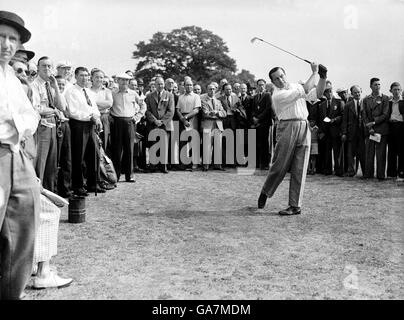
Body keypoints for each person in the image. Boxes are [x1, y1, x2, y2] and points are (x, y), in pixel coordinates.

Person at [0, 10, 41, 300]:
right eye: (0, 37)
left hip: (17, 155)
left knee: (25, 223)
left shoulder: (12, 77)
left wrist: (18, 123)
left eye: (12, 39)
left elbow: (30, 117)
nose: (6, 44)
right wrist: (17, 122)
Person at [257, 62, 327, 215]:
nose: (280, 80)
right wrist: (315, 72)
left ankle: (295, 205)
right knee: (280, 166)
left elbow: (318, 94)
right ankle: (266, 191)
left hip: (304, 125)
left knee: (300, 168)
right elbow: (307, 88)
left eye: (282, 76)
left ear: (285, 74)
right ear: (273, 82)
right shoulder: (277, 95)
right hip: (287, 127)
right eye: (276, 79)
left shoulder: (296, 86)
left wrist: (322, 77)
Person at [64, 66, 103, 195]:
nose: (84, 78)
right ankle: (78, 185)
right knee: (78, 156)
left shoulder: (89, 92)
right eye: (81, 75)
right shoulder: (71, 91)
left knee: (94, 154)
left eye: (86, 75)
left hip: (91, 125)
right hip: (78, 126)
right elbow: (73, 112)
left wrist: (96, 117)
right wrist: (90, 117)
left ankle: (93, 183)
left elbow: (94, 108)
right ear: (75, 76)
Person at [31, 56, 66, 192]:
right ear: (38, 68)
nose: (47, 69)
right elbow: (37, 108)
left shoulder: (50, 85)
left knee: (52, 165)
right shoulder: (34, 85)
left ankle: (49, 194)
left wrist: (56, 86)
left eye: (49, 66)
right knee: (40, 163)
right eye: (44, 66)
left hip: (53, 125)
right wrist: (54, 110)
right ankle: (38, 196)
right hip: (42, 126)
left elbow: (62, 106)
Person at [110, 72, 144, 182]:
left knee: (129, 149)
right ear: (117, 81)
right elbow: (108, 106)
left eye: (126, 80)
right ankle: (116, 175)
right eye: (122, 80)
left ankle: (130, 175)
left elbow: (143, 105)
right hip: (117, 122)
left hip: (130, 122)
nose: (124, 82)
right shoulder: (113, 93)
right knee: (117, 149)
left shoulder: (133, 94)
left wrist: (137, 116)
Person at [145, 76, 175, 173]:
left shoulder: (169, 95)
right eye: (158, 84)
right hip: (153, 124)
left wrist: (162, 122)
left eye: (162, 84)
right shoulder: (149, 96)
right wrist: (155, 121)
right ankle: (153, 166)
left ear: (164, 84)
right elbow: (147, 110)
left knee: (164, 145)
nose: (160, 86)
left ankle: (163, 166)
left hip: (165, 124)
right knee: (153, 145)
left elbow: (171, 111)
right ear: (155, 85)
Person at [362, 77, 390, 180]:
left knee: (381, 154)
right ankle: (368, 174)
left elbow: (385, 114)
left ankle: (381, 175)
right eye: (375, 84)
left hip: (381, 130)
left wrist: (374, 122)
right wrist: (369, 127)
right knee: (369, 153)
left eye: (379, 84)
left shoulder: (385, 98)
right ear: (370, 86)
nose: (377, 86)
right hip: (370, 130)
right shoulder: (366, 99)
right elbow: (364, 115)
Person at [316, 82, 344, 176]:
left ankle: (338, 170)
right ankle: (327, 169)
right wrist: (320, 132)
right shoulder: (322, 105)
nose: (329, 93)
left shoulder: (339, 102)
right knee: (327, 152)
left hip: (335, 131)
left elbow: (342, 116)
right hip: (326, 132)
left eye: (330, 91)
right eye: (326, 92)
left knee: (337, 152)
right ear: (324, 93)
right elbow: (320, 119)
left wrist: (334, 120)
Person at [176, 78, 202, 170]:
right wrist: (183, 119)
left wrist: (186, 117)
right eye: (187, 85)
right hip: (182, 120)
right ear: (184, 86)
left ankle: (193, 164)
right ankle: (182, 164)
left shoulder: (196, 96)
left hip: (192, 119)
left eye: (190, 85)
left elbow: (196, 110)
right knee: (182, 142)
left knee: (193, 142)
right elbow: (178, 110)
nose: (189, 86)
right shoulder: (180, 97)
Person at [200, 83, 227, 171]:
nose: (212, 91)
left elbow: (224, 113)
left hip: (218, 126)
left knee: (218, 145)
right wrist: (217, 113)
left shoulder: (218, 101)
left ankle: (217, 165)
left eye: (213, 89)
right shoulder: (203, 101)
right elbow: (205, 113)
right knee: (207, 145)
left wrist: (216, 112)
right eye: (210, 89)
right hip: (208, 125)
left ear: (215, 90)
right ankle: (206, 165)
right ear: (207, 90)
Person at [341, 85, 366, 177]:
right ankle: (351, 171)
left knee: (363, 153)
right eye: (355, 92)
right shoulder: (348, 105)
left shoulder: (365, 103)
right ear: (352, 94)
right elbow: (344, 120)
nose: (357, 94)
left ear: (361, 92)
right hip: (351, 133)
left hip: (363, 133)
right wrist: (344, 133)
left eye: (359, 92)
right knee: (350, 154)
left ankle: (365, 172)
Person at [250, 79, 273, 170]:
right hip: (256, 123)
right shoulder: (255, 97)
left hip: (264, 122)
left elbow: (268, 108)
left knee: (264, 143)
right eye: (259, 85)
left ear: (265, 85)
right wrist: (254, 118)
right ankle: (257, 163)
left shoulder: (268, 95)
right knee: (257, 143)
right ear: (257, 86)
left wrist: (259, 118)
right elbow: (253, 109)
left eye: (262, 84)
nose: (261, 86)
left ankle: (265, 164)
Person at [90, 68, 113, 154]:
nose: (99, 79)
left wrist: (94, 103)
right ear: (92, 78)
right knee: (93, 141)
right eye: (97, 77)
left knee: (104, 141)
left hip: (104, 117)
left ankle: (104, 165)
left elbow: (109, 104)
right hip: (92, 118)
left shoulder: (107, 91)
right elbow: (87, 105)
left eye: (101, 77)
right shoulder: (87, 90)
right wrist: (100, 105)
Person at [386, 82, 404, 180]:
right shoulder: (389, 103)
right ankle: (391, 174)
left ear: (401, 90)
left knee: (401, 151)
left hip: (401, 127)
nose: (397, 92)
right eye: (394, 90)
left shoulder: (403, 102)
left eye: (398, 89)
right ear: (391, 91)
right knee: (391, 151)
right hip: (391, 127)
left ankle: (401, 174)